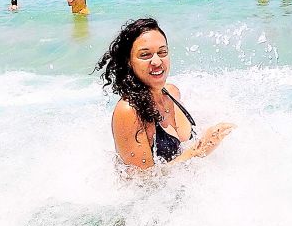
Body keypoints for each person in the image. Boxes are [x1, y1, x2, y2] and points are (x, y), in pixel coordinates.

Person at [96, 17, 234, 168]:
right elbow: (142, 183)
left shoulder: (172, 92)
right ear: (129, 61)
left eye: (162, 52)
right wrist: (198, 151)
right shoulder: (129, 111)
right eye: (145, 55)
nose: (157, 62)